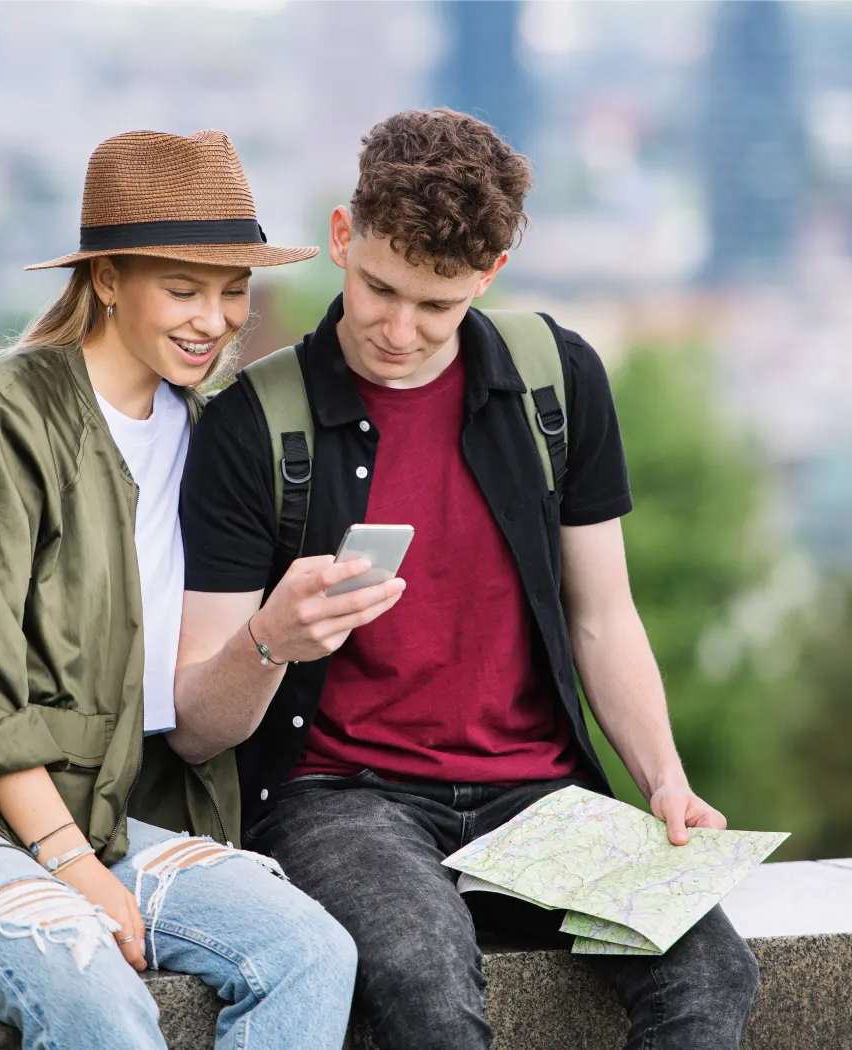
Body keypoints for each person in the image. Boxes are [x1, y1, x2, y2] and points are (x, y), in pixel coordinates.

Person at [171, 108, 762, 1050]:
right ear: (340, 236)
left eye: (437, 306)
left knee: (713, 972)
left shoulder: (555, 381)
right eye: (378, 288)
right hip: (340, 797)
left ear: (487, 279)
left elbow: (604, 618)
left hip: (538, 796)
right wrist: (271, 639)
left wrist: (665, 782)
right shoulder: (253, 423)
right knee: (425, 987)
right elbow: (199, 726)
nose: (398, 331)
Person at [0, 129, 358, 1050]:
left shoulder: (208, 435)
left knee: (310, 950)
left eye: (233, 292)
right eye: (183, 289)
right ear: (106, 280)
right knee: (89, 983)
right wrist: (70, 863)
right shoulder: (0, 413)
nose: (215, 319)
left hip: (101, 815)